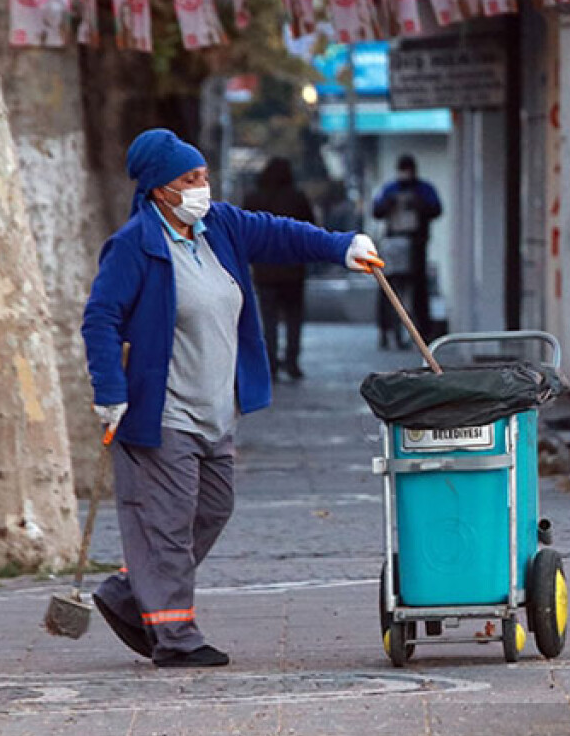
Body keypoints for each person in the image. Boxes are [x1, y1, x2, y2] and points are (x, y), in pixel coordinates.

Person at [81, 129, 382, 668]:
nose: (202, 187)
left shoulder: (218, 227)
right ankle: (176, 638)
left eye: (203, 176)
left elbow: (282, 234)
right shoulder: (134, 245)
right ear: (158, 189)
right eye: (188, 180)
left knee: (215, 506)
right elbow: (101, 317)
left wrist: (342, 247)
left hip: (216, 408)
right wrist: (108, 388)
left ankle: (131, 591)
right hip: (162, 410)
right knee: (169, 522)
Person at [242, 158, 316, 381]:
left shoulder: (254, 197)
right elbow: (309, 228)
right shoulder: (297, 197)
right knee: (294, 318)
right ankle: (292, 362)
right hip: (293, 269)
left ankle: (271, 363)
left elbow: (246, 232)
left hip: (265, 270)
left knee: (269, 319)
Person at [372, 154, 441, 348]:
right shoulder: (390, 190)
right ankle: (388, 330)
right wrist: (390, 205)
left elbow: (435, 209)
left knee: (417, 290)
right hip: (396, 241)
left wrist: (419, 205)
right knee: (390, 289)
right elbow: (377, 211)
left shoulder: (422, 190)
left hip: (415, 243)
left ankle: (420, 331)